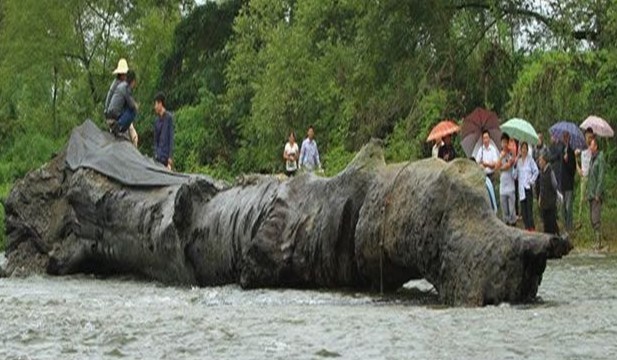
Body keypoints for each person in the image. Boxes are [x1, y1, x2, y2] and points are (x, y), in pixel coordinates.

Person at [104, 59, 139, 146]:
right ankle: (118, 127)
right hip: (116, 115)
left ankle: (119, 127)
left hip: (114, 113)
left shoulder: (118, 84)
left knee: (133, 135)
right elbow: (130, 105)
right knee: (133, 111)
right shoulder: (122, 86)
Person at [514, 142, 539, 231]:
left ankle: (532, 228)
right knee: (523, 212)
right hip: (521, 189)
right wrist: (515, 164)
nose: (524, 150)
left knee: (529, 210)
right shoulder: (519, 161)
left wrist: (531, 181)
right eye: (522, 148)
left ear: (527, 150)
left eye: (525, 148)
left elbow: (536, 171)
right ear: (520, 150)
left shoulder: (530, 160)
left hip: (528, 188)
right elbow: (515, 176)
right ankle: (527, 228)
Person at [538, 150, 563, 235]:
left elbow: (555, 184)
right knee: (546, 222)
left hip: (550, 201)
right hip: (544, 201)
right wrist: (540, 197)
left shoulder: (550, 171)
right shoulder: (541, 172)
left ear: (545, 161)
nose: (539, 162)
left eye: (541, 160)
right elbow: (541, 187)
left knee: (552, 221)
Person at [587, 138, 605, 249]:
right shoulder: (592, 159)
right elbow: (590, 177)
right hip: (591, 193)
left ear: (596, 146)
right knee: (592, 219)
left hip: (597, 195)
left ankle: (599, 242)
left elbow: (601, 177)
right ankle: (596, 240)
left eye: (592, 145)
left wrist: (598, 192)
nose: (590, 147)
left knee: (596, 218)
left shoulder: (600, 159)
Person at [576, 128, 594, 227]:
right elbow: (575, 158)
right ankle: (580, 220)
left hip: (591, 178)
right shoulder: (581, 147)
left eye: (591, 137)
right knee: (582, 199)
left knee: (590, 198)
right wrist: (578, 168)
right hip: (584, 177)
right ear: (585, 136)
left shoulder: (593, 148)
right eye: (588, 136)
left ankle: (590, 220)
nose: (589, 138)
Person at [498, 133, 516, 226]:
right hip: (502, 187)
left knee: (512, 211)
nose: (504, 144)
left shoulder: (511, 154)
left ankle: (513, 226)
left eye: (506, 142)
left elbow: (509, 165)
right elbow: (496, 166)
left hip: (510, 185)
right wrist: (501, 157)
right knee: (505, 212)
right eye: (502, 142)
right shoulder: (499, 154)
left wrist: (501, 167)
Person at [560, 132, 576, 232]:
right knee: (563, 206)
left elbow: (572, 169)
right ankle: (565, 225)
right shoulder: (562, 150)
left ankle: (569, 226)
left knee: (568, 206)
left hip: (569, 183)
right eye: (564, 137)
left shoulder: (571, 151)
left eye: (566, 137)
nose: (565, 139)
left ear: (569, 138)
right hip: (562, 182)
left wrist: (567, 161)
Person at [153, 92, 174, 170]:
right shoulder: (156, 121)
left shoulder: (169, 118)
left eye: (156, 104)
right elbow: (155, 140)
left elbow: (171, 137)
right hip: (158, 156)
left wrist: (170, 157)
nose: (155, 107)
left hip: (166, 156)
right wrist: (155, 153)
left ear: (160, 104)